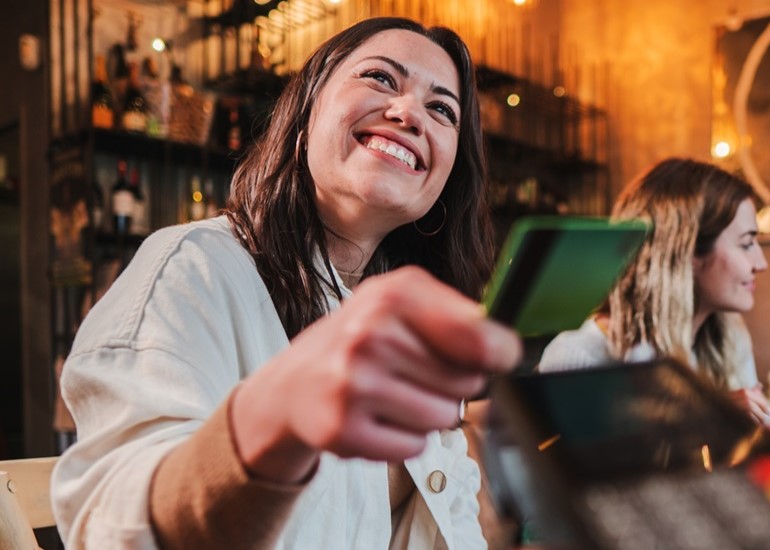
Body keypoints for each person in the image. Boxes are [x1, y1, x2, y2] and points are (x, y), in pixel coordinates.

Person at [52, 18, 521, 549]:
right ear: (306, 115)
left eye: (442, 110)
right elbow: (114, 528)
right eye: (381, 78)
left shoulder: (410, 323)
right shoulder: (193, 268)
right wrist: (274, 419)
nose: (409, 112)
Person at [538, 158, 770, 424]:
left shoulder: (729, 336)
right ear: (686, 252)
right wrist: (712, 418)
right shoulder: (578, 358)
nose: (761, 264)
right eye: (746, 244)